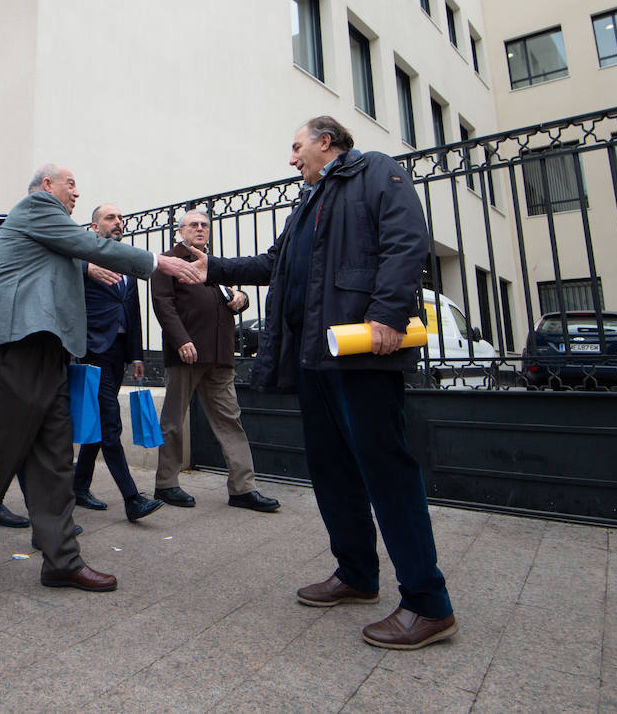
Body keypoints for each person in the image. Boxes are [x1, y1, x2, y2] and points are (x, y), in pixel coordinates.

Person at [191, 115, 458, 650]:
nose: (292, 159)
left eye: (297, 147)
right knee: (332, 471)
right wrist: (211, 268)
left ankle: (428, 604)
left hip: (363, 354)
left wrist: (386, 312)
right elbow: (273, 263)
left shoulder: (376, 173)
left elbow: (406, 242)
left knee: (385, 470)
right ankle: (357, 574)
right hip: (315, 359)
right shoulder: (307, 204)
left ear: (325, 142)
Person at [0, 164, 200, 595]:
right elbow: (84, 243)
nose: (76, 193)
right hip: (15, 344)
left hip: (51, 351)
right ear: (46, 186)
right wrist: (158, 262)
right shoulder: (36, 207)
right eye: (70, 184)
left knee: (56, 455)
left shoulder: (50, 230)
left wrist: (87, 266)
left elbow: (64, 258)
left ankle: (61, 559)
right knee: (1, 451)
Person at [150, 210, 280, 513]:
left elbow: (230, 297)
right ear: (180, 231)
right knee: (173, 421)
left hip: (220, 355)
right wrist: (181, 340)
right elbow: (163, 306)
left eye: (204, 225)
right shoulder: (168, 261)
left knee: (230, 420)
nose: (199, 229)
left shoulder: (214, 264)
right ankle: (166, 483)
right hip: (187, 354)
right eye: (193, 225)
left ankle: (243, 488)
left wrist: (242, 299)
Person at [72, 203, 163, 522]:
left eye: (120, 218)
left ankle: (78, 487)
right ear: (94, 228)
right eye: (110, 218)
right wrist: (86, 268)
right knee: (110, 422)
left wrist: (137, 355)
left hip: (118, 352)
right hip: (92, 350)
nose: (118, 222)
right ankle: (131, 498)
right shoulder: (83, 255)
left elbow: (133, 312)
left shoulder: (127, 261)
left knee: (99, 422)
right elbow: (63, 267)